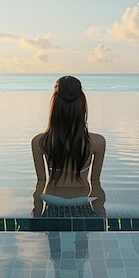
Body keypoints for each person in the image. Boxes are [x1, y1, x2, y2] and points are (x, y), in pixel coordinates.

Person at [31, 76, 106, 216]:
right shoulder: (97, 142)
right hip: (82, 202)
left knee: (53, 237)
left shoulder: (39, 142)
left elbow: (40, 182)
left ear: (54, 105)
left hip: (52, 202)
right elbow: (95, 182)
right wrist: (101, 217)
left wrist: (36, 216)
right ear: (82, 104)